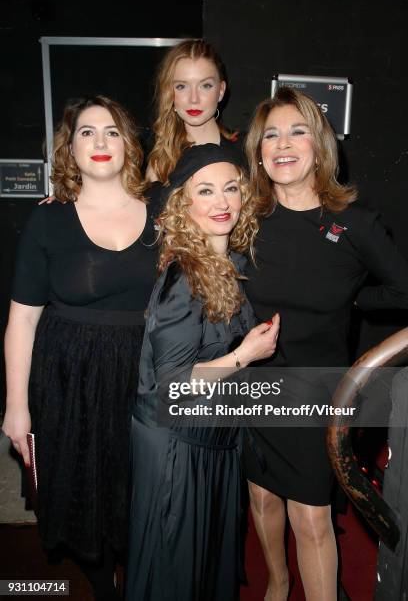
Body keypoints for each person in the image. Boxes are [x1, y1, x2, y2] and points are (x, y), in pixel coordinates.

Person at [242, 86, 408, 601]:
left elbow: (402, 289)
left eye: (297, 131)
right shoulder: (246, 218)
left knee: (311, 517)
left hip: (317, 391)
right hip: (253, 382)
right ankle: (277, 582)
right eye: (271, 134)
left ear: (320, 144)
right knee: (262, 498)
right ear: (258, 149)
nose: (283, 144)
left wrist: (355, 299)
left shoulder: (354, 224)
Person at [2, 95, 159, 600]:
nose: (99, 142)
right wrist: (15, 407)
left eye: (112, 131)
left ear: (128, 145)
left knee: (140, 491)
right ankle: (102, 586)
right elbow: (22, 319)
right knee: (85, 490)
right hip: (70, 379)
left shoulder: (164, 209)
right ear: (69, 149)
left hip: (144, 373)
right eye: (87, 132)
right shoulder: (49, 221)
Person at [125, 143, 280, 601]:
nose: (222, 202)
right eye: (206, 191)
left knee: (202, 571)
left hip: (209, 443)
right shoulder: (185, 276)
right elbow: (174, 384)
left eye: (230, 188)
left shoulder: (225, 266)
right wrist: (244, 356)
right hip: (178, 449)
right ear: (183, 205)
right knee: (175, 575)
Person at [146, 38, 244, 183]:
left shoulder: (244, 152)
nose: (194, 99)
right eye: (181, 86)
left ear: (221, 90)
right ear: (169, 92)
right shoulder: (160, 164)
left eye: (205, 86)